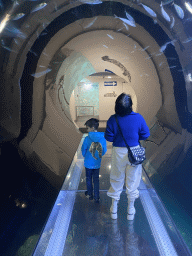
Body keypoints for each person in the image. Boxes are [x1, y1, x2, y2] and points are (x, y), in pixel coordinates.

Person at [104, 93, 150, 220]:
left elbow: (108, 137)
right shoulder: (139, 118)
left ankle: (114, 209)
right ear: (131, 106)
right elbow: (145, 134)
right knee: (133, 180)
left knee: (117, 177)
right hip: (134, 151)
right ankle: (130, 209)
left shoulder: (113, 119)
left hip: (118, 152)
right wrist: (134, 138)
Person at [81, 118, 107, 203]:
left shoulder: (87, 139)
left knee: (88, 179)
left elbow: (83, 149)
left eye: (87, 128)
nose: (87, 130)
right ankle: (97, 197)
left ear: (92, 128)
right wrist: (99, 156)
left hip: (88, 163)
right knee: (96, 180)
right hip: (97, 163)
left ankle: (90, 195)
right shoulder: (102, 138)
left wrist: (86, 156)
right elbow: (104, 150)